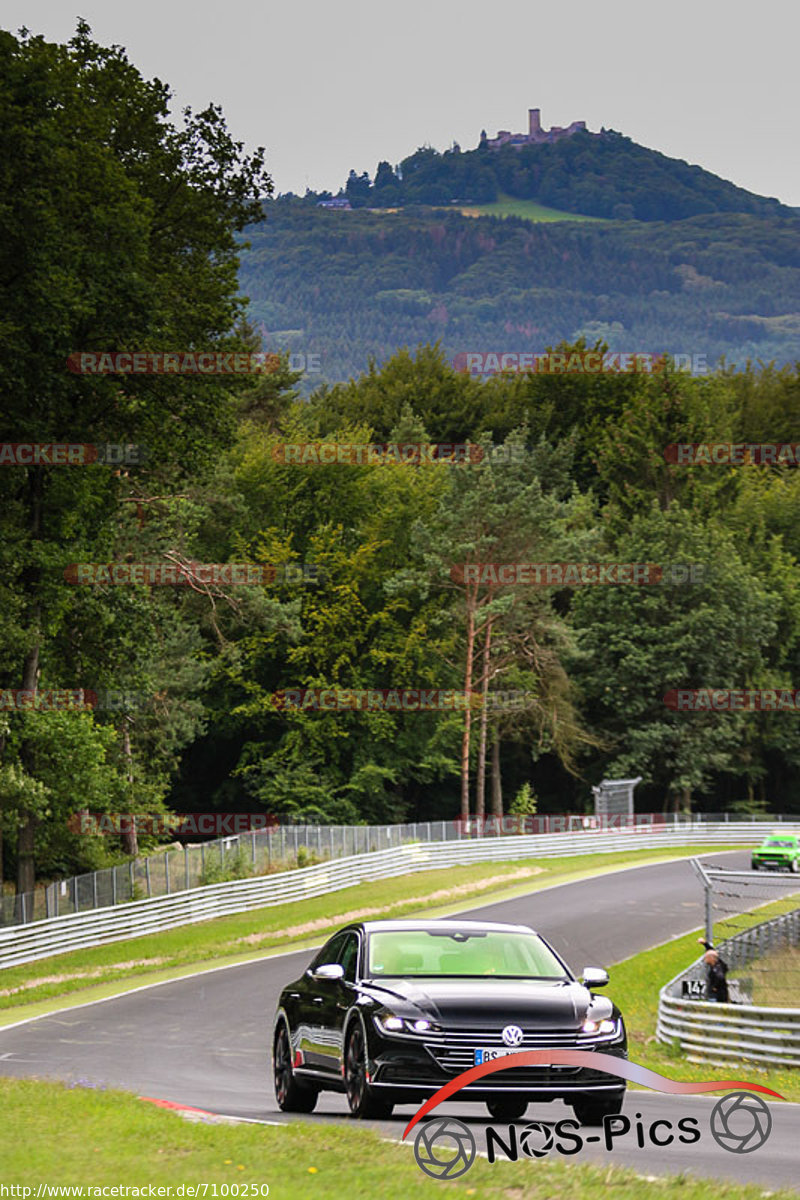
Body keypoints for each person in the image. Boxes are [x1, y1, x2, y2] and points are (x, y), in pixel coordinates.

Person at [697, 937, 729, 1002]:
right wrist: (705, 943)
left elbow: (720, 977)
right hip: (720, 994)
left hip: (718, 996)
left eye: (706, 957)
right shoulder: (718, 963)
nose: (705, 959)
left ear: (711, 958)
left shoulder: (717, 967)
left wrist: (714, 987)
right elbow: (713, 952)